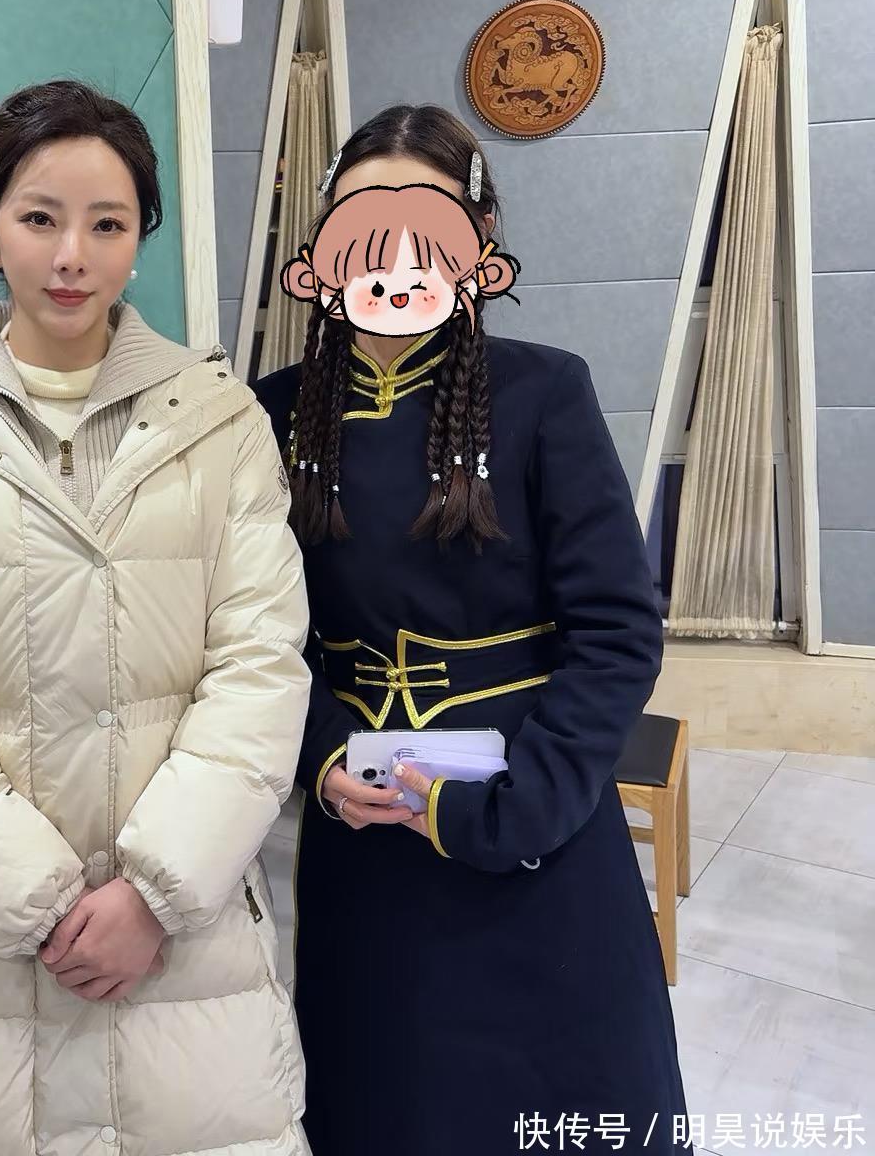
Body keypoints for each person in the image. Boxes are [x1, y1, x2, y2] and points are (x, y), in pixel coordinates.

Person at [0, 79, 312, 1156]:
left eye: (108, 224)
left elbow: (261, 667)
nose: (72, 257)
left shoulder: (223, 426)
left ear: (141, 237)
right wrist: (41, 905)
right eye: (40, 218)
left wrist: (153, 897)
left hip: (187, 952)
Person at [255, 104, 691, 1156]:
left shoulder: (542, 391)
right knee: (388, 1101)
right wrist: (324, 762)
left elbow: (619, 628)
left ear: (479, 242)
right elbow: (258, 643)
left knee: (565, 1104)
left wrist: (524, 806)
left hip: (532, 814)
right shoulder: (270, 414)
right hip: (364, 829)